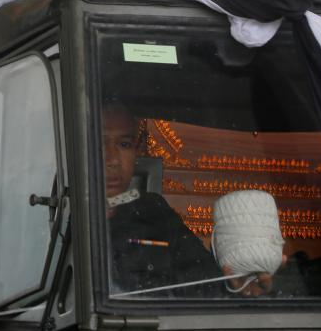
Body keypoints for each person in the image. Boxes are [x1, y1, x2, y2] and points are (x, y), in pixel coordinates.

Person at [102, 104, 276, 297]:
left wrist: (236, 286)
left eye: (124, 144)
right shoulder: (68, 216)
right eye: (98, 144)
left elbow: (203, 279)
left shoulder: (153, 211)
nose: (112, 160)